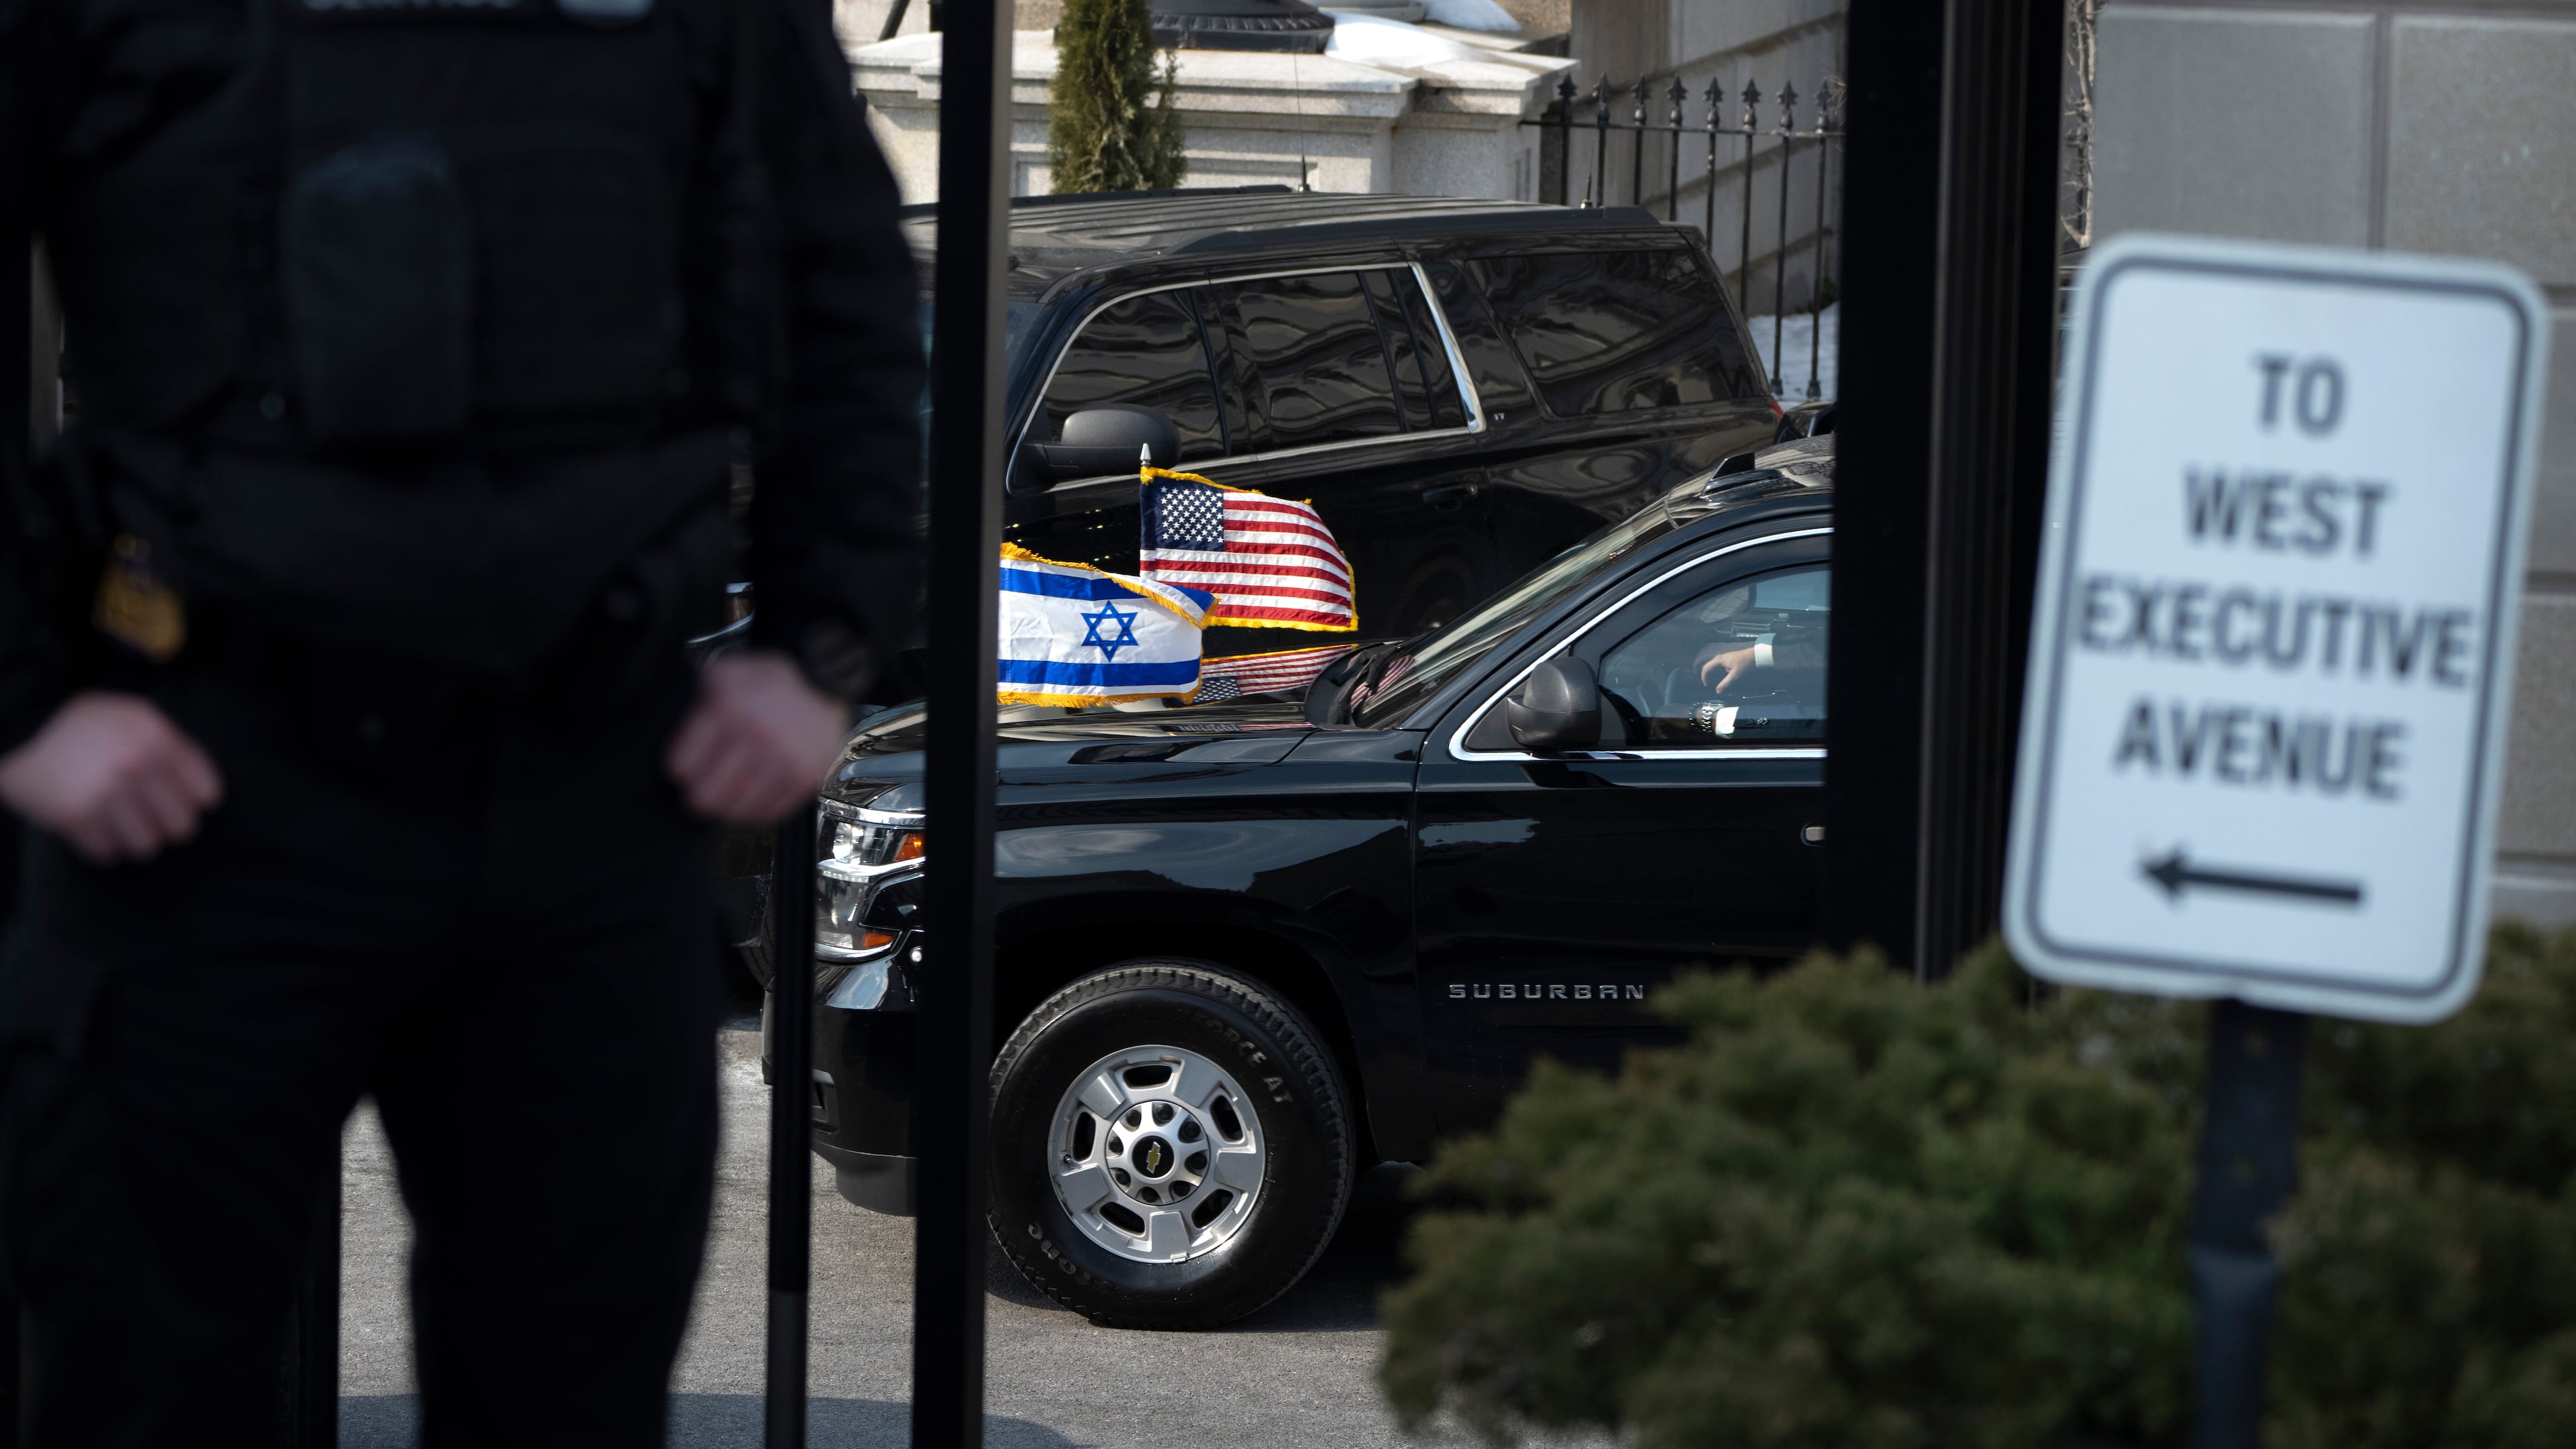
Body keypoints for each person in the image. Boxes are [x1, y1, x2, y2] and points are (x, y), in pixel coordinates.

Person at [0, 0, 924, 1437]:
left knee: (565, 1392)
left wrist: (819, 645)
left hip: (582, 780)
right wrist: (27, 707)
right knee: (144, 1390)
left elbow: (843, 276)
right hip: (201, 790)